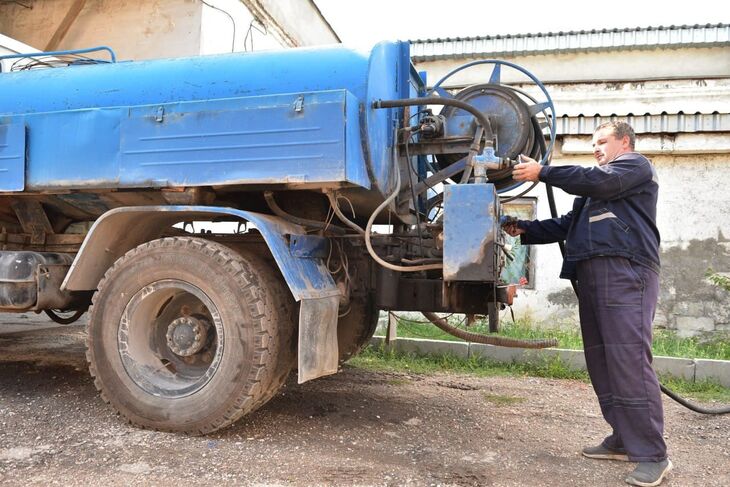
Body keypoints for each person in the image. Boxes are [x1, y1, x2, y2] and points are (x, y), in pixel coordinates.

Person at [504, 121, 672, 487]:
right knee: (602, 361)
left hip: (626, 270)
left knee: (627, 360)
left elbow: (595, 179)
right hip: (592, 273)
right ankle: (623, 437)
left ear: (624, 142)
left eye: (603, 141)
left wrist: (543, 172)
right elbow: (567, 225)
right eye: (593, 143)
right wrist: (522, 228)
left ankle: (653, 455)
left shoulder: (634, 166)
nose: (596, 148)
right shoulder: (596, 190)